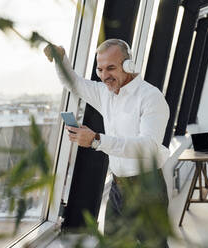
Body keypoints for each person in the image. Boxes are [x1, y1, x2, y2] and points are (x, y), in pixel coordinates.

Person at [44, 39, 170, 246]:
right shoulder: (106, 92)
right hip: (118, 188)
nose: (104, 76)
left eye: (111, 68)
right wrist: (60, 59)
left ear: (129, 65)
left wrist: (96, 140)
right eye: (100, 69)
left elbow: (148, 146)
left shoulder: (151, 97)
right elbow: (73, 83)